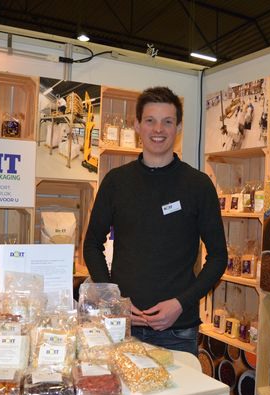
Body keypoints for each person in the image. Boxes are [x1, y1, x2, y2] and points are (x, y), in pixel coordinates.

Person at [83, 86, 227, 355]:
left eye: (167, 122)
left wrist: (181, 303)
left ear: (178, 127)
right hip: (123, 327)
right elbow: (92, 245)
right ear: (137, 125)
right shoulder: (116, 182)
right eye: (150, 120)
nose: (158, 129)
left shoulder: (198, 185)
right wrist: (114, 300)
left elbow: (219, 257)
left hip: (178, 331)